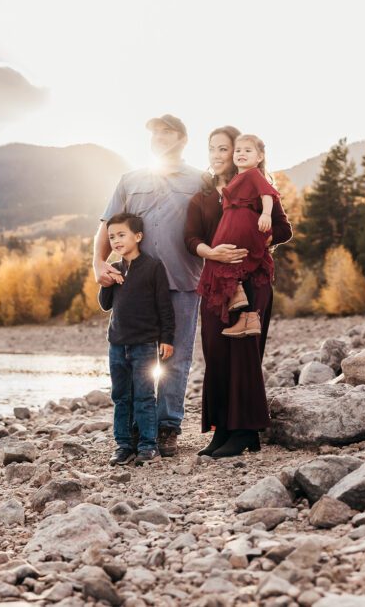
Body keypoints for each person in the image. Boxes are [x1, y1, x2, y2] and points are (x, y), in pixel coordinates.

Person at [93, 114, 203, 457]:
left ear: (183, 139)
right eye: (154, 132)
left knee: (176, 357)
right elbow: (107, 226)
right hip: (135, 286)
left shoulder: (202, 180)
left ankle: (167, 427)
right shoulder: (130, 179)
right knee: (138, 360)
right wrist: (97, 262)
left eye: (166, 131)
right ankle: (139, 432)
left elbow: (216, 228)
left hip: (182, 282)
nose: (158, 136)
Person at [185, 127, 293, 458]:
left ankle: (246, 431)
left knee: (243, 354)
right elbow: (189, 239)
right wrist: (212, 252)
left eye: (224, 149)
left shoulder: (257, 188)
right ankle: (222, 431)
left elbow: (283, 230)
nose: (218, 156)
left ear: (238, 153)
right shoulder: (202, 198)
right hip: (216, 283)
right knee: (217, 354)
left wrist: (255, 243)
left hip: (252, 282)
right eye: (212, 149)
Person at [98, 212, 175, 466]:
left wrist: (167, 338)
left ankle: (147, 445)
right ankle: (123, 446)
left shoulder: (153, 267)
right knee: (121, 396)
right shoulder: (115, 269)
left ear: (138, 236)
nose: (116, 240)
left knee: (144, 396)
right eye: (111, 237)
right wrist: (107, 281)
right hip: (117, 344)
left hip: (144, 344)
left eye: (121, 235)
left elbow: (165, 307)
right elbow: (105, 305)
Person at [196, 134, 280, 338]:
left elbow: (268, 194)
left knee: (223, 259)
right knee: (225, 259)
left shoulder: (253, 175)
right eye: (239, 151)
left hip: (244, 224)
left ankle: (240, 300)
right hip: (234, 223)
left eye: (247, 151)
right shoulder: (240, 177)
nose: (241, 154)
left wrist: (267, 215)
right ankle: (245, 311)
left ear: (259, 157)